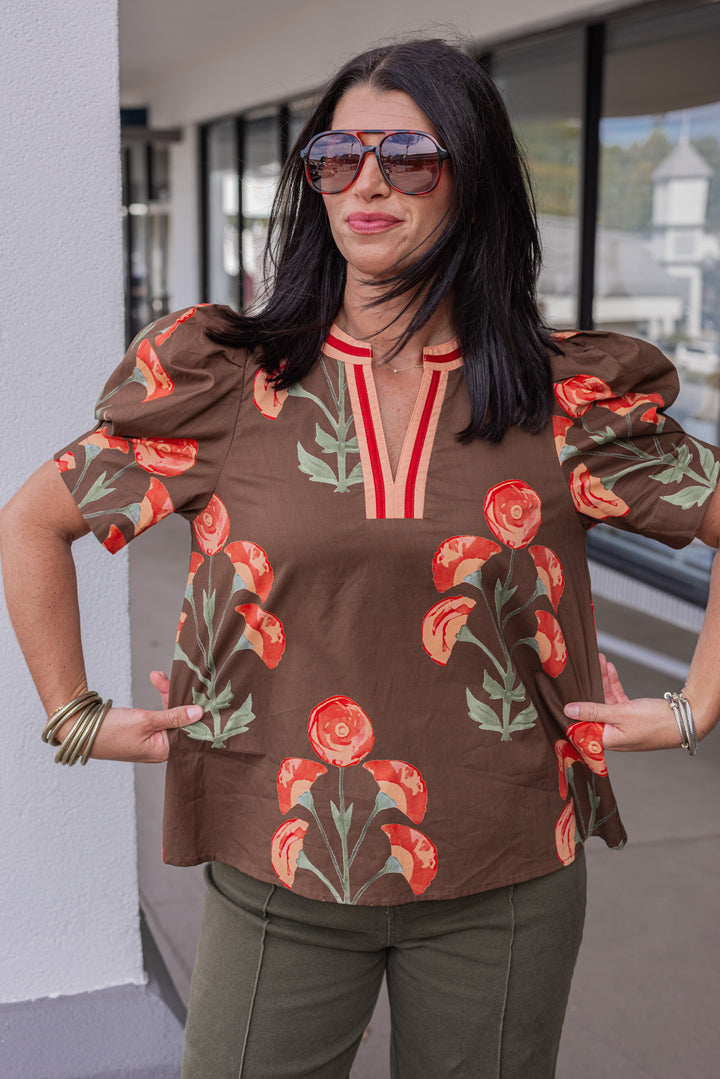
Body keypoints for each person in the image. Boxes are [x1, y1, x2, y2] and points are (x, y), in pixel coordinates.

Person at [1, 37, 719, 1079]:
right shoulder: (229, 383)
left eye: (409, 155)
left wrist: (695, 703)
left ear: (472, 179)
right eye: (338, 154)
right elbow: (32, 520)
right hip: (277, 858)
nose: (368, 179)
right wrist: (73, 713)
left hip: (505, 870)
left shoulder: (563, 403)